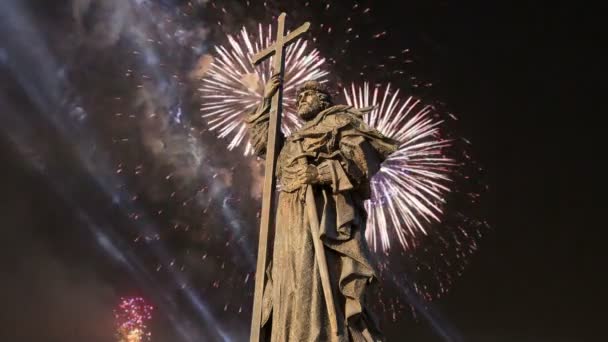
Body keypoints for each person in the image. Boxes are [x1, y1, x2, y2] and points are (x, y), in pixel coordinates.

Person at [246, 75, 398, 341]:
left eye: (307, 95)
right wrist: (268, 100)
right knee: (288, 281)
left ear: (322, 100)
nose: (300, 100)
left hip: (322, 214)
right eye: (298, 97)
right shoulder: (293, 141)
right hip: (289, 214)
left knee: (315, 276)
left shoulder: (339, 123)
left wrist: (320, 174)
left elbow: (363, 162)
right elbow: (264, 145)